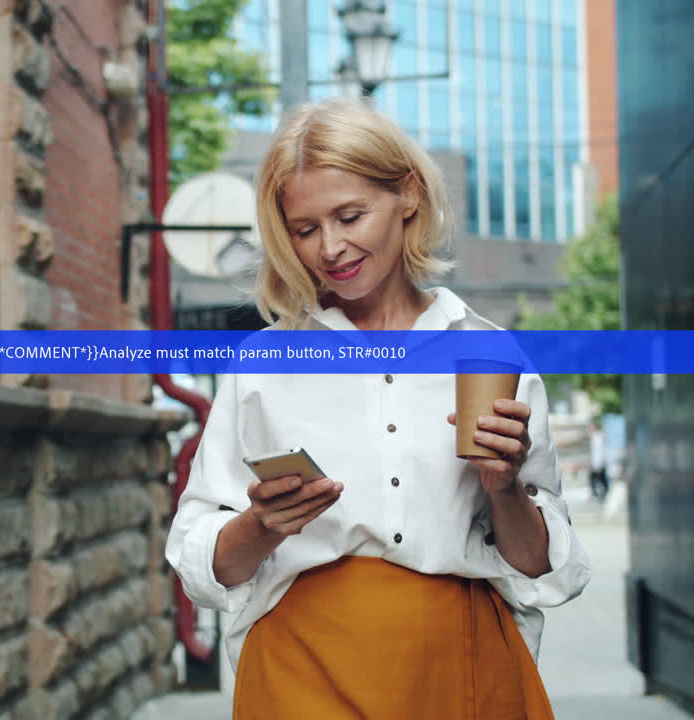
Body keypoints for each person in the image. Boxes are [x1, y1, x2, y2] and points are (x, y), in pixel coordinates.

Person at [165, 97, 591, 719]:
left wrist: (505, 490)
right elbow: (198, 564)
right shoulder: (264, 365)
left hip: (459, 666)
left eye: (350, 216)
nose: (330, 247)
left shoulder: (488, 352)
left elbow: (547, 572)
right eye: (305, 229)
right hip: (299, 668)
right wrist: (262, 525)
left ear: (408, 194)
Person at [589, 419, 610, 500]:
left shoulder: (597, 437)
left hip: (598, 463)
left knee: (596, 478)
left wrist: (596, 464)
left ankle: (598, 494)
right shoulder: (598, 436)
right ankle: (602, 493)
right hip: (599, 462)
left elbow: (598, 452)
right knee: (601, 478)